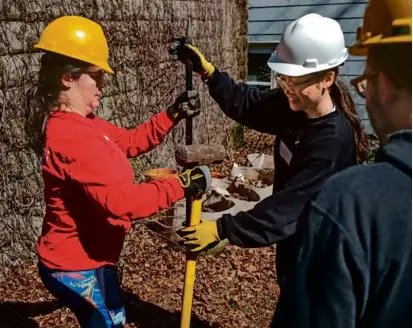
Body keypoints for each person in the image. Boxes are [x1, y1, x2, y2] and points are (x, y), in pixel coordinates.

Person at [24, 16, 211, 328]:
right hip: (77, 267)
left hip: (90, 258)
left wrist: (172, 114)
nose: (103, 84)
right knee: (110, 322)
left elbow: (128, 141)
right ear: (68, 78)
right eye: (96, 76)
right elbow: (123, 203)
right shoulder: (72, 137)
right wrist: (181, 185)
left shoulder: (84, 124)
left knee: (113, 317)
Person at [172, 13, 368, 283]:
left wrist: (223, 229)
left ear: (327, 79)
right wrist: (210, 73)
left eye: (296, 81)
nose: (287, 88)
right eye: (284, 78)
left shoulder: (332, 141)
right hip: (294, 243)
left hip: (324, 256)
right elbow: (247, 103)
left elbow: (287, 208)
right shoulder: (293, 106)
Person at [271, 0, 412, 327]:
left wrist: (226, 228)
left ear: (385, 85)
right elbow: (246, 103)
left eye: (366, 83)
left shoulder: (353, 204)